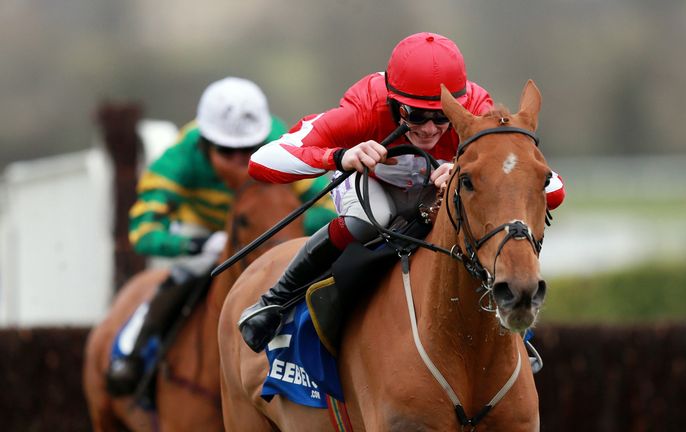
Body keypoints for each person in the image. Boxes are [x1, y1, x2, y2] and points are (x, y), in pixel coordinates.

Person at [238, 33, 566, 354]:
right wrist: (338, 157)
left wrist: (461, 172)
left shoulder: (476, 113)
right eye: (416, 115)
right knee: (369, 220)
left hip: (435, 191)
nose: (429, 129)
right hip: (372, 181)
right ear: (393, 102)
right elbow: (262, 161)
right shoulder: (365, 109)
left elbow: (550, 190)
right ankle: (276, 299)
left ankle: (513, 336)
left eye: (442, 117)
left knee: (473, 221)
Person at [105, 77, 337, 395]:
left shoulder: (281, 142)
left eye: (251, 149)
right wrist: (194, 245)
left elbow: (328, 208)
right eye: (227, 151)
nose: (242, 161)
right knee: (188, 271)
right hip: (205, 232)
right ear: (205, 145)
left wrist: (281, 226)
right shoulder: (181, 158)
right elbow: (143, 232)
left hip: (266, 232)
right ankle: (132, 351)